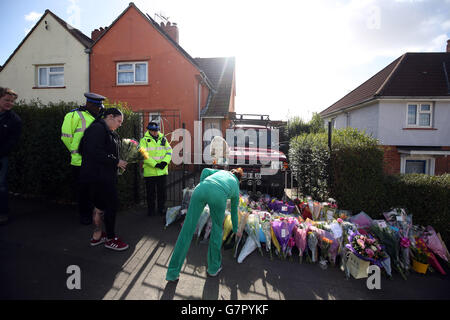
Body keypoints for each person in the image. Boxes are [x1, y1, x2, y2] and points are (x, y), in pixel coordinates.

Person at [165, 167, 243, 282]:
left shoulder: (222, 172)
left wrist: (202, 184)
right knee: (217, 230)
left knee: (187, 229)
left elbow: (205, 170)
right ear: (239, 180)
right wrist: (236, 229)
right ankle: (213, 269)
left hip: (201, 189)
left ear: (232, 172)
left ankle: (172, 273)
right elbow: (234, 212)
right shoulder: (236, 187)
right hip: (219, 196)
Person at [79, 108, 129, 251]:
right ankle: (111, 239)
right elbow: (93, 151)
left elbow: (87, 150)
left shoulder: (101, 129)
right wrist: (116, 162)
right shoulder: (98, 129)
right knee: (110, 206)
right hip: (100, 177)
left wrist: (115, 162)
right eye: (119, 121)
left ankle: (98, 236)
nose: (120, 124)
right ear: (110, 117)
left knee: (100, 206)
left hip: (99, 176)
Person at [61, 92, 105, 225]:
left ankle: (94, 214)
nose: (100, 109)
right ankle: (84, 216)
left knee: (95, 190)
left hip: (96, 162)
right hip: (80, 162)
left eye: (100, 107)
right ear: (89, 104)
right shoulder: (73, 115)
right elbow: (66, 137)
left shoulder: (99, 117)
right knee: (83, 191)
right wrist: (78, 152)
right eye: (97, 107)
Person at [139, 122, 172, 218]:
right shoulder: (143, 140)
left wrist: (165, 162)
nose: (154, 132)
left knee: (162, 192)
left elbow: (169, 151)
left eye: (156, 130)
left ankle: (161, 209)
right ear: (148, 130)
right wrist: (156, 164)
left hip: (162, 171)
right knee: (150, 193)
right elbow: (144, 155)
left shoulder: (163, 139)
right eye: (152, 130)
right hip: (150, 172)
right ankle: (151, 210)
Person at [0, 87, 21, 226]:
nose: (9, 103)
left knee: (1, 185)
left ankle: (2, 213)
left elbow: (13, 141)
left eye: (12, 101)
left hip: (1, 157)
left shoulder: (15, 120)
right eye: (6, 100)